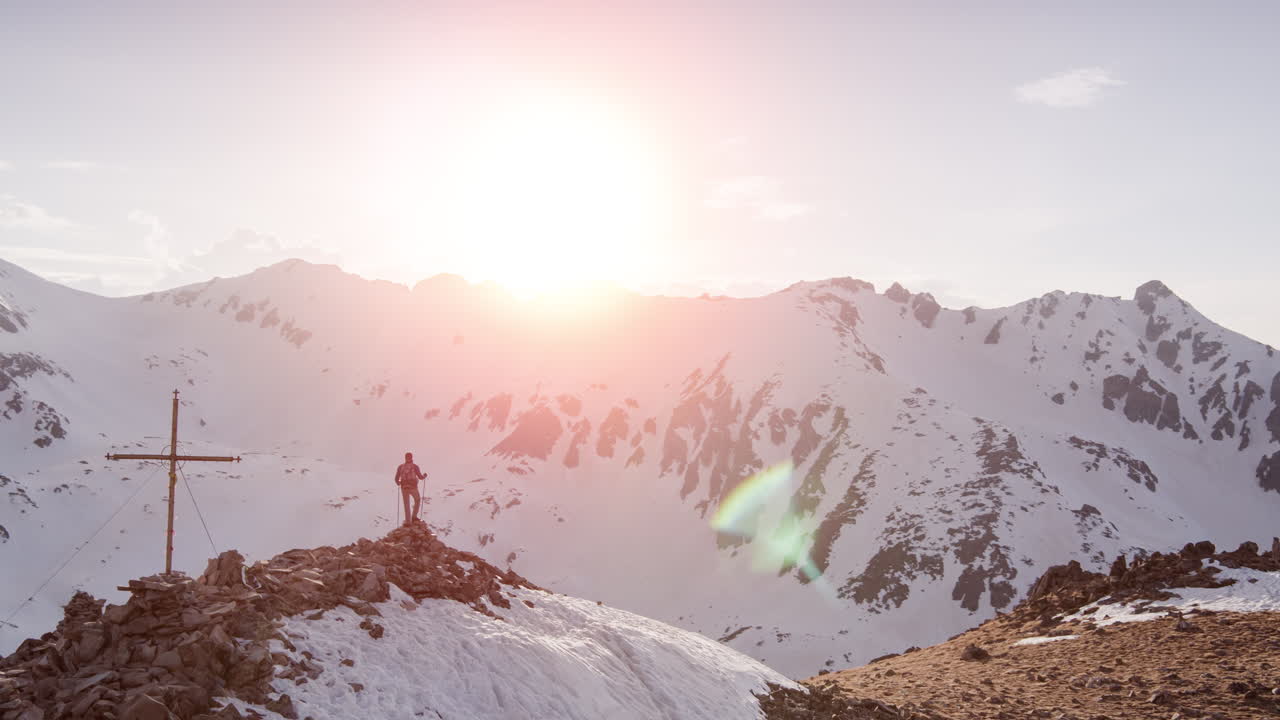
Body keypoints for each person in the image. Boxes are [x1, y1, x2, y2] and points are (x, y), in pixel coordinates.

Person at [395, 452, 426, 526]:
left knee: (406, 504)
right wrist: (424, 476)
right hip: (413, 487)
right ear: (412, 458)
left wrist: (399, 483)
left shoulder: (400, 467)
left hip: (404, 487)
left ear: (405, 458)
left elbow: (396, 478)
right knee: (417, 500)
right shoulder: (415, 467)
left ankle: (408, 521)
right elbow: (420, 477)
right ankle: (414, 517)